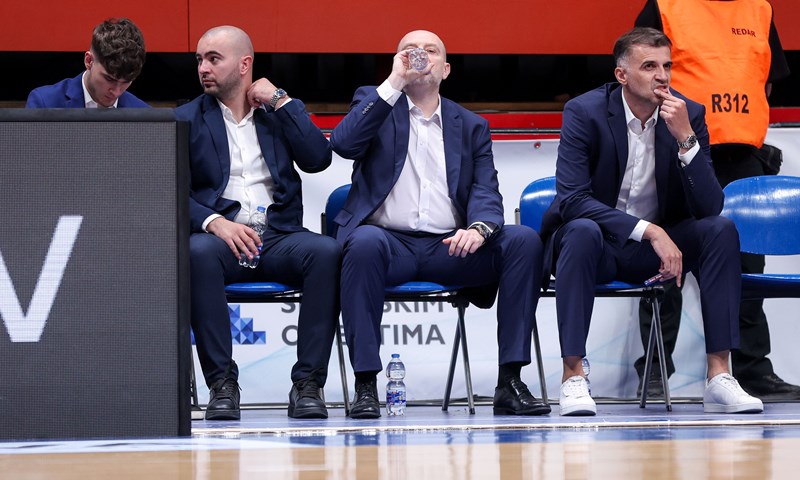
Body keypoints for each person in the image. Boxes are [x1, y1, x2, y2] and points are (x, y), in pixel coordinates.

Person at [540, 27, 763, 416]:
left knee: (720, 230)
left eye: (667, 66)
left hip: (655, 256)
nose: (662, 76)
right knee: (580, 230)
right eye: (649, 66)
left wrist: (686, 140)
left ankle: (719, 375)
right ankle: (573, 375)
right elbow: (573, 200)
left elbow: (710, 207)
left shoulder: (688, 114)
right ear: (622, 75)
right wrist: (650, 230)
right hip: (598, 246)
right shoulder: (585, 111)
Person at [329, 30, 549, 419]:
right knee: (363, 243)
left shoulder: (471, 125)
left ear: (445, 69)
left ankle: (510, 381)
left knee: (523, 241)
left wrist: (479, 229)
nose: (419, 55)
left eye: (430, 51)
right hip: (388, 246)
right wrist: (394, 82)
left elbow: (485, 189)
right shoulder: (375, 101)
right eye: (408, 51)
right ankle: (365, 385)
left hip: (451, 248)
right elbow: (344, 144)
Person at [633, 0, 797, 401]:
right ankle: (654, 370)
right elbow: (641, 72)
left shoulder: (759, 9)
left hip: (742, 158)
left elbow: (765, 80)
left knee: (746, 266)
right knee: (665, 262)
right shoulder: (666, 6)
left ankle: (752, 370)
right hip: (679, 151)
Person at [176, 26, 341, 420]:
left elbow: (318, 159)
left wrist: (281, 100)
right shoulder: (185, 119)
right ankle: (222, 385)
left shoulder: (275, 114)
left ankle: (308, 385)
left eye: (213, 59)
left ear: (244, 64)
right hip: (223, 241)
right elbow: (170, 189)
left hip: (279, 237)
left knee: (326, 252)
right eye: (199, 60)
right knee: (197, 252)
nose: (203, 68)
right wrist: (215, 222)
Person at [26, 18, 148, 108]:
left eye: (126, 82)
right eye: (109, 79)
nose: (116, 92)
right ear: (89, 61)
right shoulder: (45, 103)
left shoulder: (144, 115)